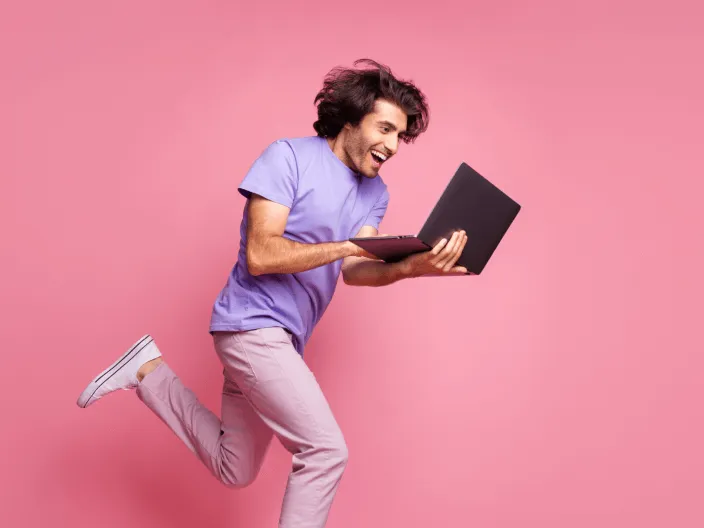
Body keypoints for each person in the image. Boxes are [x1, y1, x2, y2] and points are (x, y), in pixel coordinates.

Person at [77, 58, 467, 528]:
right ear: (351, 119)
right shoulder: (288, 157)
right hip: (251, 326)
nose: (391, 146)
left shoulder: (374, 191)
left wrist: (413, 267)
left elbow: (355, 270)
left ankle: (148, 373)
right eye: (384, 129)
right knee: (325, 451)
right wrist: (347, 243)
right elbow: (262, 254)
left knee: (235, 468)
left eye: (399, 137)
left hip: (282, 341)